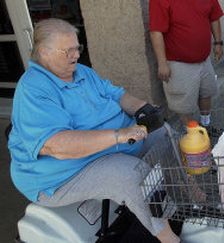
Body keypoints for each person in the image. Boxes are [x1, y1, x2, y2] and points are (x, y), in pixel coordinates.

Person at [7, 18, 179, 243]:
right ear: (43, 52)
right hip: (63, 173)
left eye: (77, 48)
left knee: (163, 132)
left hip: (110, 146)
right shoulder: (33, 89)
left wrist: (142, 108)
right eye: (68, 51)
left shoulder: (82, 72)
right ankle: (169, 238)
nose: (76, 55)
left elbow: (117, 94)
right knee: (132, 175)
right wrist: (118, 135)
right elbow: (57, 146)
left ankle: (190, 196)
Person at [149, 0, 224, 127]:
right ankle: (193, 137)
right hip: (179, 63)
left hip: (204, 59)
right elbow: (156, 31)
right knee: (183, 104)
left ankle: (206, 125)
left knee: (206, 93)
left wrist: (218, 43)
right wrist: (162, 63)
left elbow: (214, 17)